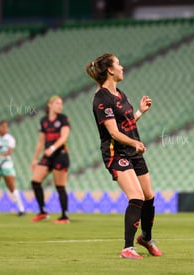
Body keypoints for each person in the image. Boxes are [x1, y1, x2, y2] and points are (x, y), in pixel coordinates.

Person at [87, 53, 162, 259]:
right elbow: (113, 132)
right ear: (110, 70)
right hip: (116, 152)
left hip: (132, 151)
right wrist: (135, 142)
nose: (122, 67)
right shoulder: (101, 98)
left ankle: (146, 238)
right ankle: (128, 248)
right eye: (118, 64)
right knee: (136, 196)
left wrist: (139, 113)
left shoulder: (120, 94)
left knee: (149, 197)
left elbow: (125, 125)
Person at [30, 96, 71, 224]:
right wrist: (35, 159)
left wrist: (52, 148)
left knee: (60, 186)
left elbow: (64, 137)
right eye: (57, 103)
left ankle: (64, 216)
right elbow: (41, 142)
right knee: (35, 181)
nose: (60, 106)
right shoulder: (43, 121)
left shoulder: (63, 119)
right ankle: (42, 212)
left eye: (61, 103)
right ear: (50, 105)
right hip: (48, 155)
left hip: (60, 155)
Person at [0, 120, 25, 216]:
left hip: (6, 165)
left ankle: (21, 209)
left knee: (12, 187)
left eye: (6, 127)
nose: (5, 129)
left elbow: (9, 152)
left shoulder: (10, 139)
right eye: (3, 127)